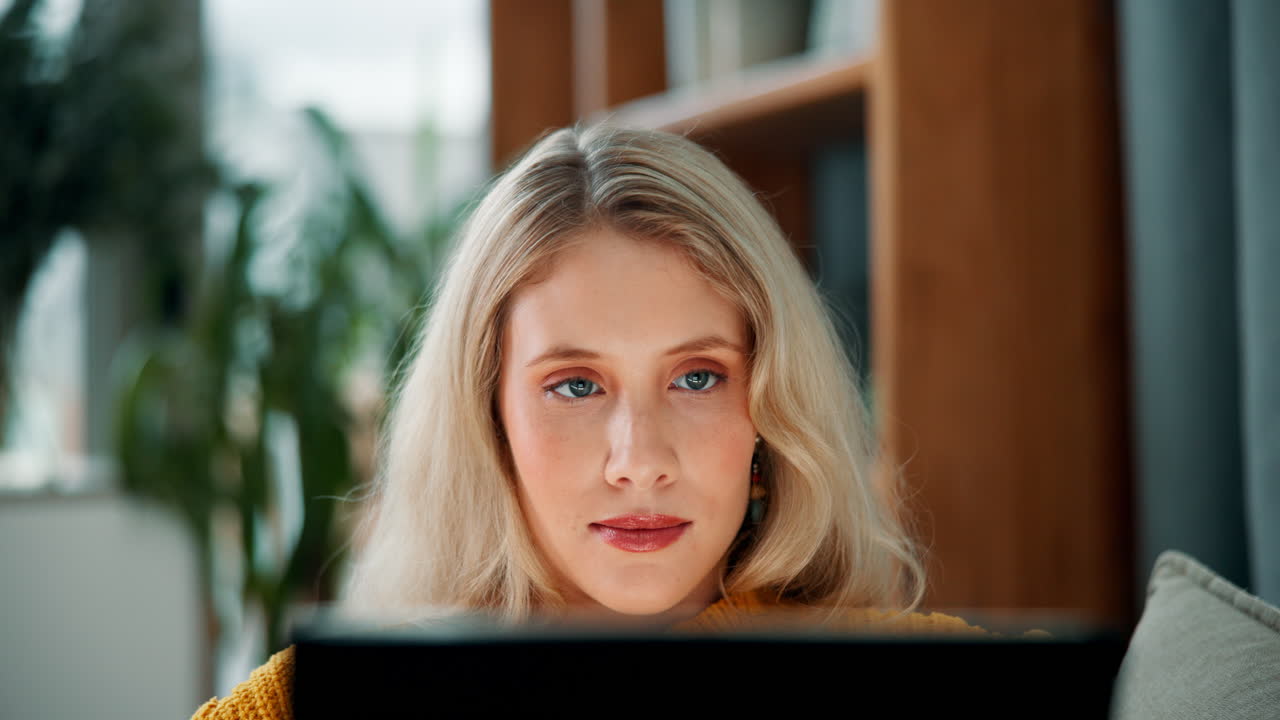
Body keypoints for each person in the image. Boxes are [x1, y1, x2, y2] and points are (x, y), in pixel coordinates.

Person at [191, 123, 985, 720]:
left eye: (698, 377)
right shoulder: (304, 706)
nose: (638, 461)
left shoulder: (932, 677)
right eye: (575, 386)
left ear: (772, 411)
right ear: (487, 415)